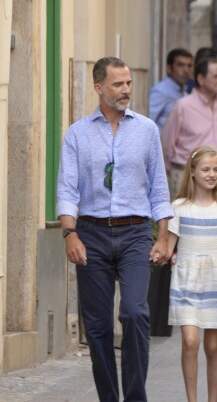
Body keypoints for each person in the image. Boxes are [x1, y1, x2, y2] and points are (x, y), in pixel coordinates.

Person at [57, 56, 172, 402]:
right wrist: (70, 233)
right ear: (98, 88)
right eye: (118, 84)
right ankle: (109, 397)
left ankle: (136, 397)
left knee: (136, 313)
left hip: (136, 232)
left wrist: (164, 236)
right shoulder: (77, 134)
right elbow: (67, 190)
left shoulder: (147, 130)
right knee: (97, 327)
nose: (125, 90)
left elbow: (159, 189)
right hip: (90, 234)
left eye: (128, 83)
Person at [166, 146, 217, 401]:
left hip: (216, 282)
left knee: (213, 347)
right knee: (190, 341)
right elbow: (167, 248)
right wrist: (154, 253)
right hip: (186, 282)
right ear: (193, 172)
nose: (211, 174)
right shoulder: (178, 207)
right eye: (206, 169)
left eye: (216, 169)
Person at [162, 57, 217, 198]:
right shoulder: (183, 106)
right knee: (186, 220)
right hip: (187, 177)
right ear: (201, 79)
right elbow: (167, 144)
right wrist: (172, 174)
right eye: (215, 76)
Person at [148, 48, 193, 131]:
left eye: (189, 66)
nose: (186, 70)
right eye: (180, 65)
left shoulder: (184, 90)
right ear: (169, 68)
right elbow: (147, 123)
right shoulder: (160, 92)